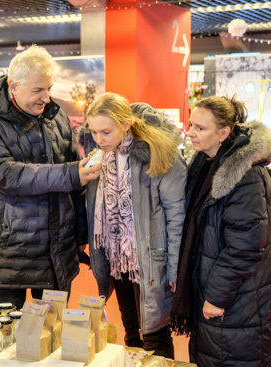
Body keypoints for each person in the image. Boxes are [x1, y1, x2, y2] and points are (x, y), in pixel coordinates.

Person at [0, 45, 101, 309]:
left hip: (58, 249)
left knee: (54, 335)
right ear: (13, 86)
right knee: (6, 338)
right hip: (11, 250)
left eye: (49, 88)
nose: (46, 97)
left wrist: (80, 234)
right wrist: (70, 174)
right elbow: (5, 175)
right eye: (37, 90)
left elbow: (75, 180)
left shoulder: (57, 117)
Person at [171, 96, 271, 366]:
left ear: (223, 133)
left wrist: (216, 296)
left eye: (201, 128)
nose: (191, 133)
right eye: (191, 125)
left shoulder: (245, 175)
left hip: (241, 300)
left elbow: (245, 246)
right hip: (219, 288)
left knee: (233, 355)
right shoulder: (204, 163)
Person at [84, 93, 186, 358]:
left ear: (126, 124)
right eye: (93, 132)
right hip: (118, 261)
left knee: (155, 334)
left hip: (152, 261)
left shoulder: (159, 155)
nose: (99, 139)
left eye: (106, 131)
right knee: (131, 332)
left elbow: (178, 219)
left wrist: (175, 268)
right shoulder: (101, 159)